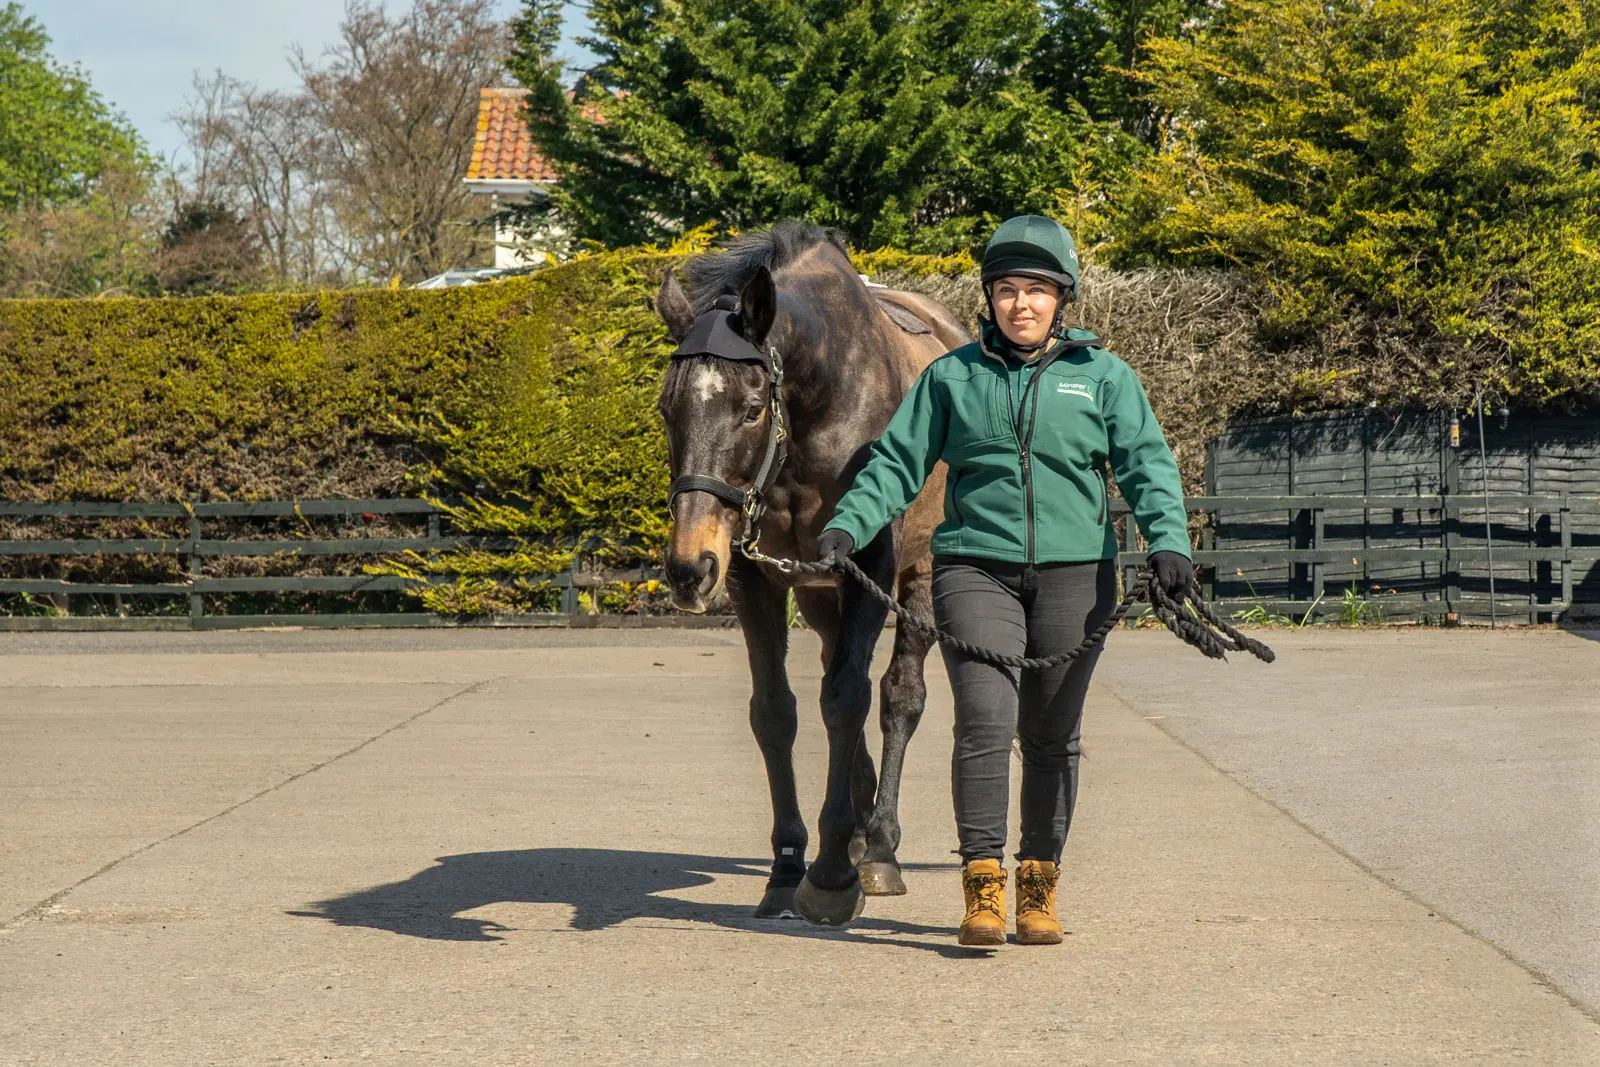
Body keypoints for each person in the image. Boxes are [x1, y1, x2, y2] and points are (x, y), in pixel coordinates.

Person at [816, 215, 1193, 947]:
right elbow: (896, 462)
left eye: (1038, 290)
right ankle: (983, 886)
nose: (1022, 304)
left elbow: (1148, 465)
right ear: (989, 298)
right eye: (1008, 290)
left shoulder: (1104, 378)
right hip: (974, 570)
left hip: (1076, 578)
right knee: (984, 725)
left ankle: (1039, 885)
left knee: (1052, 739)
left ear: (1063, 298)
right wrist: (849, 524)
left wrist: (1169, 544)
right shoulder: (952, 377)